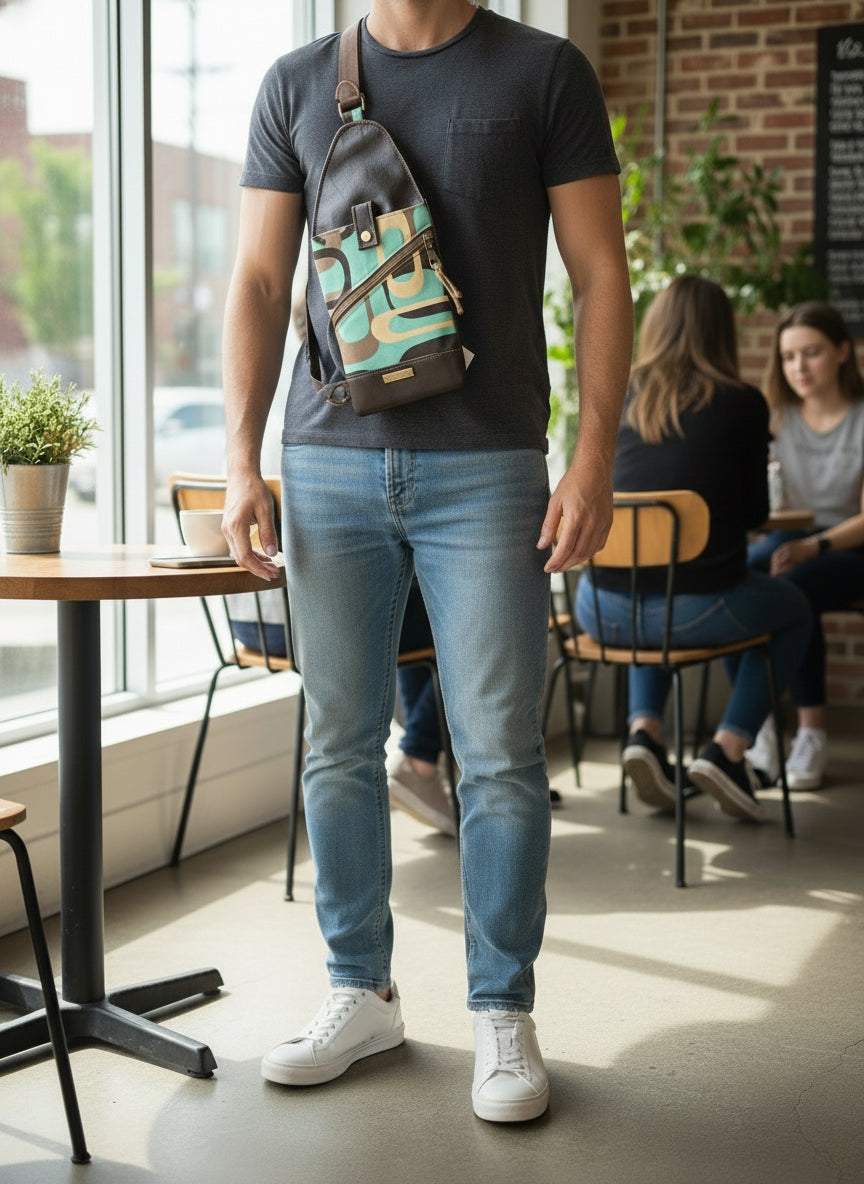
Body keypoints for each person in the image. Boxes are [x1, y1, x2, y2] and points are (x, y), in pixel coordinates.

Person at [221, 0, 632, 1124]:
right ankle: (360, 991)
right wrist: (241, 460)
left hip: (489, 464)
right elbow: (257, 280)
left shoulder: (544, 72)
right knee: (338, 744)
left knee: (498, 752)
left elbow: (601, 272)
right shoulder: (296, 82)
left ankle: (503, 1009)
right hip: (327, 460)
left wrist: (593, 458)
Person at [575, 276, 812, 820]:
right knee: (795, 609)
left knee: (654, 586)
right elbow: (755, 516)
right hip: (694, 611)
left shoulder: (620, 391)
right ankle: (728, 750)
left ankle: (644, 733)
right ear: (721, 332)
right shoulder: (742, 403)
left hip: (599, 608)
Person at [745, 302, 864, 791]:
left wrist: (816, 547)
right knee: (732, 576)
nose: (799, 367)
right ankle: (755, 725)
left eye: (811, 353)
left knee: (794, 586)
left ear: (842, 351)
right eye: (789, 357)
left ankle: (812, 732)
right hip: (790, 539)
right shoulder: (776, 419)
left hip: (849, 546)